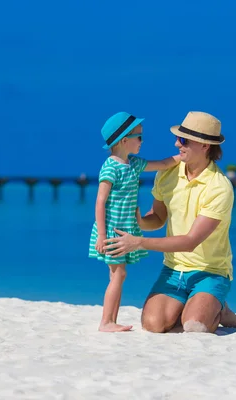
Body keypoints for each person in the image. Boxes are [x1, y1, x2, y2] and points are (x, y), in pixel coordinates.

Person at [103, 111, 236, 333]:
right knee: (153, 325)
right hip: (173, 269)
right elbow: (158, 218)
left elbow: (190, 241)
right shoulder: (168, 173)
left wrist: (138, 242)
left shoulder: (220, 187)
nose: (177, 143)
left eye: (184, 140)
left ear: (205, 146)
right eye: (178, 137)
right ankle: (194, 304)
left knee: (195, 326)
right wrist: (137, 220)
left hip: (210, 271)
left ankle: (219, 308)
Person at [89, 111, 180, 333]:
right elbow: (100, 202)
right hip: (112, 231)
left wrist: (181, 158)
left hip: (125, 229)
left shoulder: (135, 164)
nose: (142, 141)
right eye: (139, 136)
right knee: (118, 274)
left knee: (118, 274)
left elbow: (162, 164)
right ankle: (106, 322)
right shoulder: (111, 167)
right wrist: (102, 234)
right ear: (124, 140)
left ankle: (110, 320)